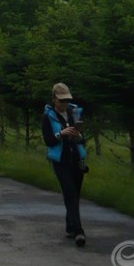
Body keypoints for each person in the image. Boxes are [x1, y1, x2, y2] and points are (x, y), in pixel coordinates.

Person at [42, 82, 88, 247]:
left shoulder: (75, 113)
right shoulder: (48, 116)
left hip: (76, 158)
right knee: (70, 193)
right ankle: (78, 231)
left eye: (67, 100)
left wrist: (77, 136)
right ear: (54, 99)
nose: (64, 104)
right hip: (60, 160)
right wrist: (60, 134)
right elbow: (48, 140)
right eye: (61, 101)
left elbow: (83, 138)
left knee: (75, 193)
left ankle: (70, 225)